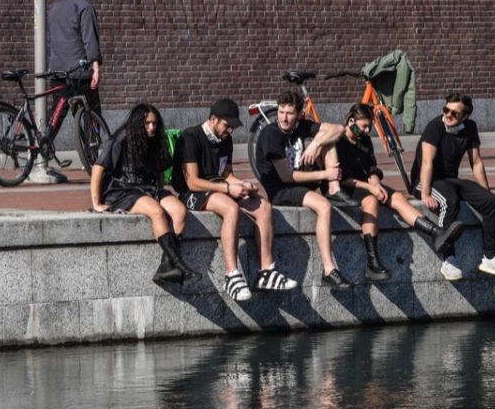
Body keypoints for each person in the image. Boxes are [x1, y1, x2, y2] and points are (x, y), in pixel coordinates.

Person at [171, 98, 299, 301]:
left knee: (264, 206)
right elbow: (192, 182)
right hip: (192, 193)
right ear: (213, 119)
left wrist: (243, 184)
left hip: (219, 187)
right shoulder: (190, 137)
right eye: (227, 125)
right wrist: (228, 188)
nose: (230, 130)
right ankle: (231, 275)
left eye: (232, 127)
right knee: (231, 208)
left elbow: (227, 174)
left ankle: (266, 271)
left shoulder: (226, 140)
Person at [334, 104, 465, 281]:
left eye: (369, 126)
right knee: (371, 202)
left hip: (366, 184)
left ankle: (436, 232)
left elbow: (371, 168)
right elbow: (340, 177)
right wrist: (371, 188)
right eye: (364, 126)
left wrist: (376, 184)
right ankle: (372, 262)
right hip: (345, 186)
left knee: (397, 197)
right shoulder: (339, 141)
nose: (367, 131)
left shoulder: (364, 140)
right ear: (351, 121)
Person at [254, 88, 356, 290]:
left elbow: (339, 129)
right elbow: (287, 176)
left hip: (301, 178)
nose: (284, 118)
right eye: (281, 112)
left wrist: (315, 143)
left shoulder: (301, 126)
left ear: (299, 114)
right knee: (324, 206)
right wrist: (325, 174)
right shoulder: (271, 134)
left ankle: (335, 190)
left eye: (289, 113)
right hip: (282, 189)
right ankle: (329, 270)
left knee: (328, 140)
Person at [410, 93, 495, 281]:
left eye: (454, 113)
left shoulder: (470, 127)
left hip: (449, 180)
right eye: (446, 110)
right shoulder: (435, 127)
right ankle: (448, 260)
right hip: (424, 181)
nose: (448, 115)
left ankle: (491, 258)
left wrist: (485, 191)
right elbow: (427, 162)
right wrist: (425, 194)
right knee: (450, 201)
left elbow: (476, 163)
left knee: (491, 202)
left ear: (465, 116)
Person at [91, 103, 202, 285]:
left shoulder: (156, 138)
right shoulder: (121, 138)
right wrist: (96, 203)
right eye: (147, 123)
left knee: (180, 211)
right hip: (123, 190)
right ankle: (182, 267)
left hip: (149, 189)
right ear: (137, 124)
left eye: (154, 123)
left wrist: (160, 190)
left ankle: (166, 267)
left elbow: (159, 169)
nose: (151, 127)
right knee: (157, 211)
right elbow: (98, 168)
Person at [46, 0, 102, 118]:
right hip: (79, 73)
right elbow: (90, 39)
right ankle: (92, 133)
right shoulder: (85, 7)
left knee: (56, 115)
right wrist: (96, 68)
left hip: (57, 71)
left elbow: (49, 39)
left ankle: (46, 133)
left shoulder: (54, 7)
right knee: (92, 114)